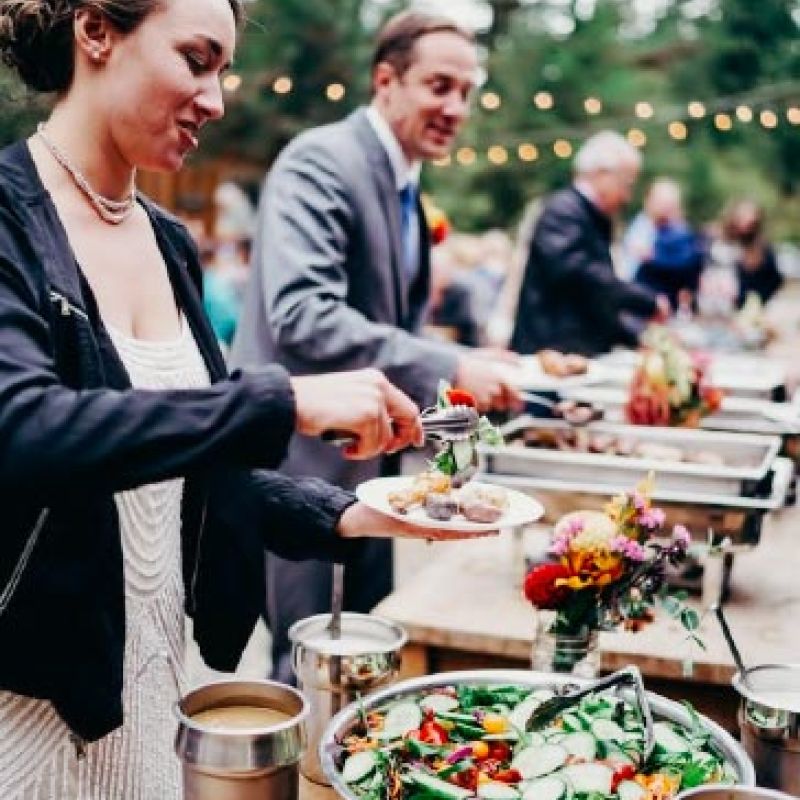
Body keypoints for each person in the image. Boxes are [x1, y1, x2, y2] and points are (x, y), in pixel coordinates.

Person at [0, 1, 490, 797]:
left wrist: (349, 513)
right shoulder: (7, 217)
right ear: (96, 31)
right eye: (196, 60)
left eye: (224, 71)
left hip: (158, 691)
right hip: (34, 705)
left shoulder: (168, 242)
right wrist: (282, 401)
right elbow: (25, 430)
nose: (217, 99)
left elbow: (190, 467)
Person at [231, 11, 521, 683]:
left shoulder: (409, 185)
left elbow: (383, 321)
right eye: (439, 85)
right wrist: (452, 364)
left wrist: (470, 372)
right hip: (298, 465)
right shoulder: (320, 159)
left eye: (467, 91)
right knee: (304, 663)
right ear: (385, 80)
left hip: (373, 470)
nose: (456, 107)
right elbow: (304, 313)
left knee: (368, 652)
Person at [510, 131, 670, 357]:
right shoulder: (563, 211)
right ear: (602, 174)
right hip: (550, 356)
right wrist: (643, 300)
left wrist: (636, 336)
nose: (627, 196)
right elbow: (580, 276)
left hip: (573, 354)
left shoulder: (587, 215)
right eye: (627, 183)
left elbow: (593, 300)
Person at [621, 178, 703, 309]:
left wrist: (653, 257)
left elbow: (687, 266)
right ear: (648, 200)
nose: (664, 207)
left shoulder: (680, 234)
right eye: (660, 202)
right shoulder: (638, 225)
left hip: (659, 301)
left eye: (668, 203)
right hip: (630, 294)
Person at [721, 199, 784, 308]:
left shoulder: (765, 250)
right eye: (743, 217)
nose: (748, 222)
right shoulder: (723, 247)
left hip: (754, 310)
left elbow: (776, 280)